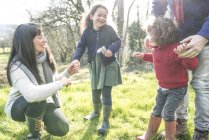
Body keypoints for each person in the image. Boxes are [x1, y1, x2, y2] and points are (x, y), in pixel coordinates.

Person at [4, 23, 79, 140]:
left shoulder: (44, 57)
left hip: (41, 101)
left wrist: (68, 73)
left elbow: (51, 83)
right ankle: (33, 136)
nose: (45, 40)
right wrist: (60, 84)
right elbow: (31, 95)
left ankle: (37, 121)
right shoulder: (17, 66)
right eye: (40, 37)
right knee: (38, 99)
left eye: (43, 36)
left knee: (62, 128)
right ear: (27, 42)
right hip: (17, 107)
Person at [148, 0, 209, 139]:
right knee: (179, 83)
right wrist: (153, 30)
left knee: (202, 85)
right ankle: (180, 124)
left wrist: (204, 35)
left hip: (205, 37)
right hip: (178, 40)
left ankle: (201, 132)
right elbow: (158, 4)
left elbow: (192, 64)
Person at [132, 17, 198, 140]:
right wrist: (143, 56)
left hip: (177, 88)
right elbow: (157, 58)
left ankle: (170, 138)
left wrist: (183, 53)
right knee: (156, 110)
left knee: (167, 112)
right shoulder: (157, 49)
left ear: (163, 35)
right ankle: (149, 134)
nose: (149, 38)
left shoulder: (176, 47)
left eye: (151, 35)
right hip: (162, 87)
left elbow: (193, 64)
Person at [71, 4, 122, 135]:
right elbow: (81, 46)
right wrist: (76, 58)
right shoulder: (87, 32)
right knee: (95, 92)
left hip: (108, 65)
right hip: (94, 65)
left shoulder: (109, 29)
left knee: (106, 93)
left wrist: (111, 49)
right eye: (99, 15)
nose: (102, 18)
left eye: (105, 16)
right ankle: (95, 113)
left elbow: (117, 41)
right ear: (92, 16)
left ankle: (105, 121)